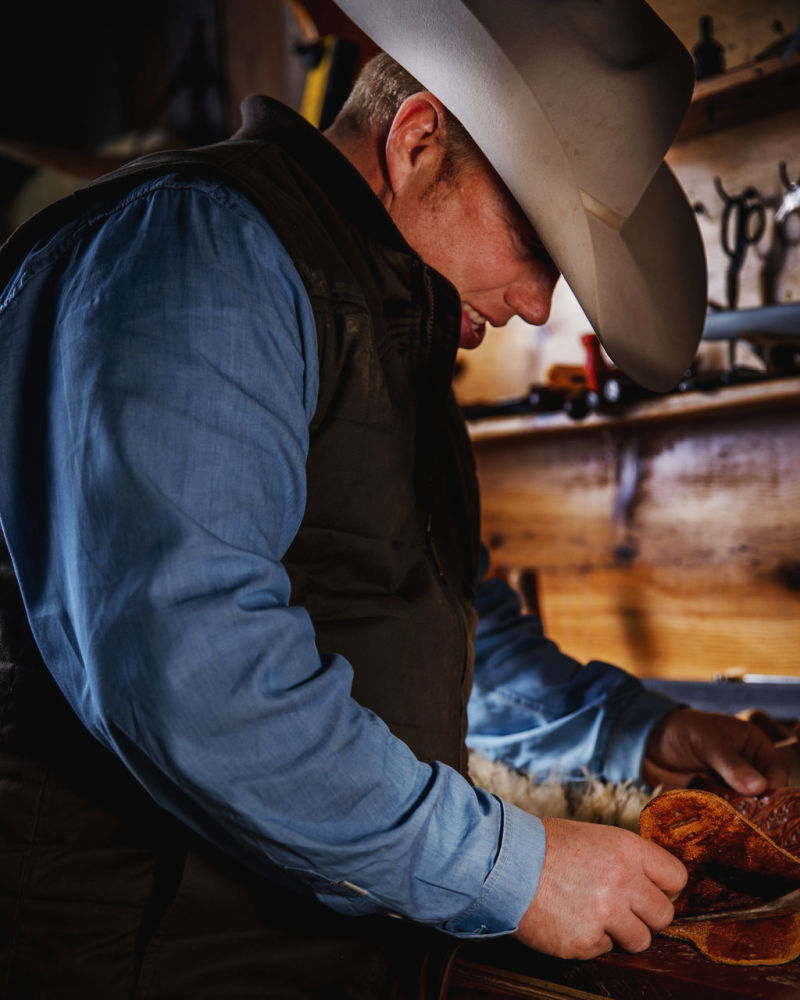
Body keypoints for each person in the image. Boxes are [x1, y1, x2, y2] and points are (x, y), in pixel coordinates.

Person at [0, 5, 787, 998]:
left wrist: (635, 727)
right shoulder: (208, 252)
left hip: (310, 951)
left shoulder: (378, 318)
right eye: (532, 242)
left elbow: (428, 620)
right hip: (137, 957)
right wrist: (510, 865)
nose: (538, 305)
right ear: (417, 140)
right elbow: (192, 668)